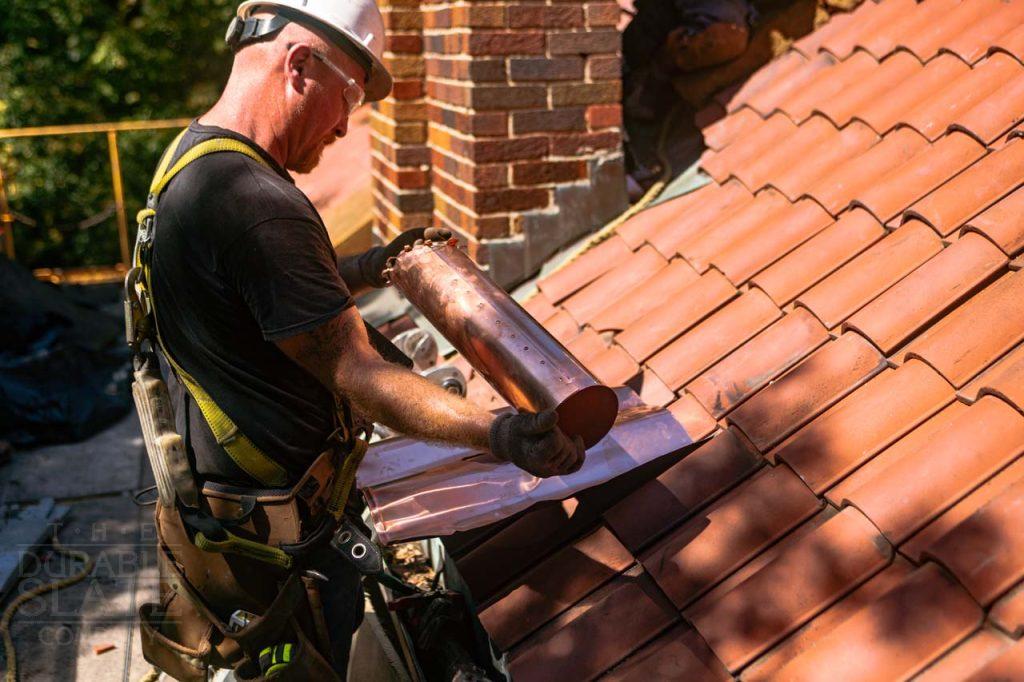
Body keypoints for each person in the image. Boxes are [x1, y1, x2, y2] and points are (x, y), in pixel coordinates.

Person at [135, 1, 586, 678]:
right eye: (348, 97)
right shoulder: (258, 204)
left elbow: (264, 293)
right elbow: (361, 377)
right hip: (286, 552)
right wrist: (503, 435)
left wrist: (368, 267)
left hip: (220, 527)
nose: (347, 126)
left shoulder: (195, 163)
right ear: (298, 65)